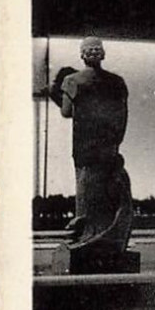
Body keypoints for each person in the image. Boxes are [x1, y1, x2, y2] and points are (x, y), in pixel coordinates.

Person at [52, 36, 134, 270]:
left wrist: (55, 95)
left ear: (82, 55)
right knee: (107, 197)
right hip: (110, 148)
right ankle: (103, 240)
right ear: (102, 54)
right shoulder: (117, 82)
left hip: (85, 149)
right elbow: (123, 116)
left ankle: (86, 239)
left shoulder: (71, 80)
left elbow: (67, 113)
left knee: (86, 197)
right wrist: (116, 140)